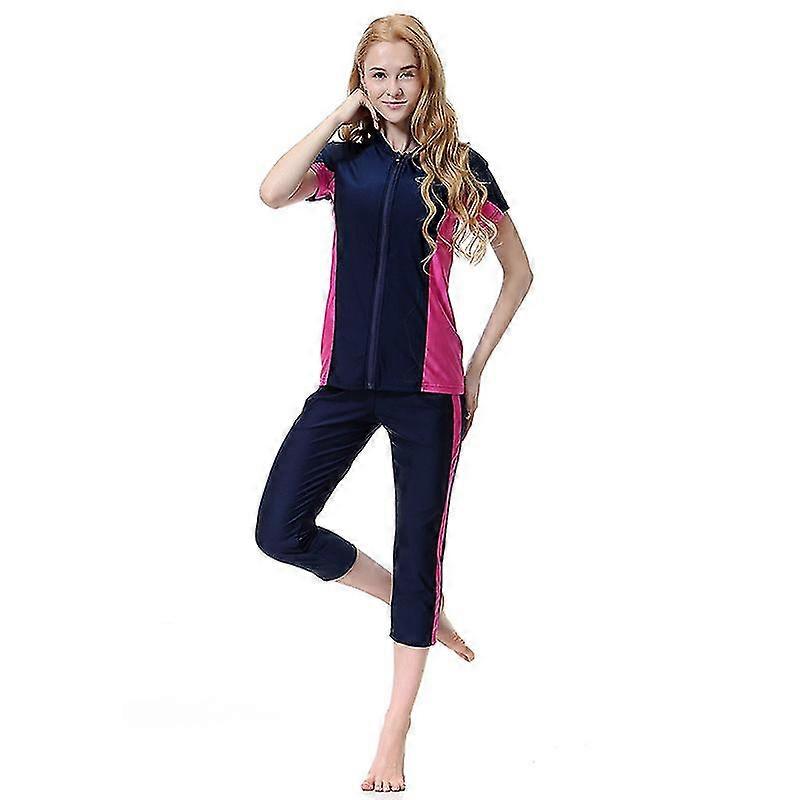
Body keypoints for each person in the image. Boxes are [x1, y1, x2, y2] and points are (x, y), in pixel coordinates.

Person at [255, 13, 533, 792]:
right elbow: (271, 192)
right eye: (377, 75)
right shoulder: (344, 161)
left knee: (420, 553)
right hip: (344, 383)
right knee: (279, 530)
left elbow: (520, 273)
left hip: (429, 389)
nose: (392, 87)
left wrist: (475, 371)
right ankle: (418, 607)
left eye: (405, 73)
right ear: (361, 81)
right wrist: (338, 113)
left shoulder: (460, 167)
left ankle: (393, 731)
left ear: (426, 77)